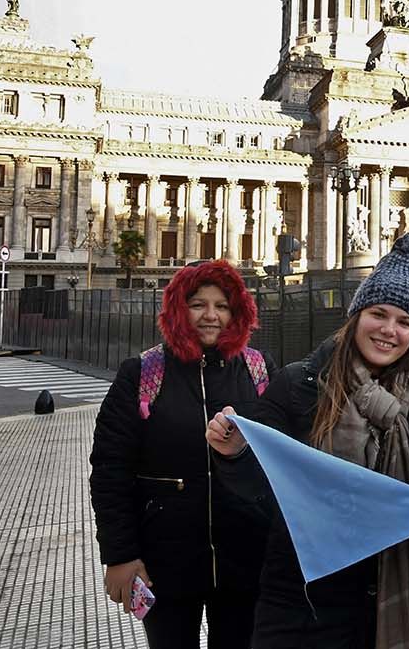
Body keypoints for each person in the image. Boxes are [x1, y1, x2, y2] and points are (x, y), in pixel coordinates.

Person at [205, 234, 409, 648]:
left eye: (405, 322)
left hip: (385, 599)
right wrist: (235, 453)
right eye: (379, 314)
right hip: (301, 598)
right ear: (356, 316)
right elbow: (259, 491)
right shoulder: (299, 384)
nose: (390, 330)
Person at [89, 259, 274, 649]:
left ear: (236, 311)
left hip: (246, 560)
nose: (211, 316)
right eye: (198, 304)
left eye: (221, 305)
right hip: (165, 562)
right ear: (178, 309)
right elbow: (110, 470)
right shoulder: (142, 374)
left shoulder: (259, 371)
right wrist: (120, 555)